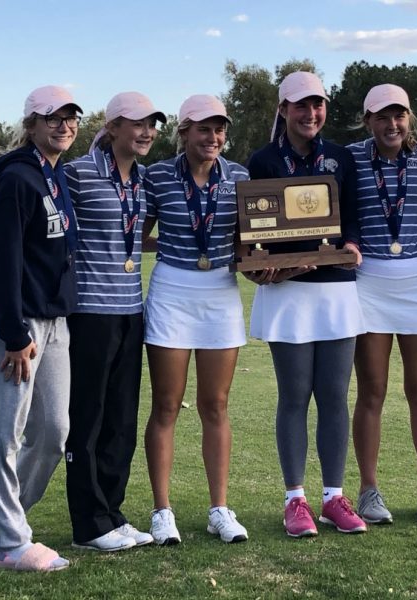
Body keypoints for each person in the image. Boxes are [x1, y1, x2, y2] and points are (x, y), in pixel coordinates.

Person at [245, 71, 367, 538]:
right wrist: (264, 261)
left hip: (336, 288)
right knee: (294, 397)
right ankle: (295, 499)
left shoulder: (340, 157)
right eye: (300, 106)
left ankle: (334, 497)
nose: (310, 113)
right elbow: (256, 228)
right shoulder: (263, 160)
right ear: (283, 110)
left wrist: (352, 243)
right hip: (287, 293)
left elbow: (352, 216)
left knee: (334, 396)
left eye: (317, 105)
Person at [0, 85, 81, 571]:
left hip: (54, 321)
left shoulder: (54, 177)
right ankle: (9, 543)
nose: (64, 125)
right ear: (32, 125)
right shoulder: (17, 179)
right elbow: (1, 264)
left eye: (70, 117)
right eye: (52, 118)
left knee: (55, 432)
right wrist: (15, 335)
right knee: (6, 434)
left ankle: (12, 518)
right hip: (16, 325)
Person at [142, 94, 250, 545]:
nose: (213, 137)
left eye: (219, 128)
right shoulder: (158, 175)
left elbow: (252, 239)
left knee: (216, 405)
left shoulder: (240, 176)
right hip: (172, 289)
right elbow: (138, 229)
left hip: (221, 292)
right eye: (203, 129)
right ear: (183, 132)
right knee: (166, 404)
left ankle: (219, 509)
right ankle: (162, 511)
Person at [62, 92, 165, 552]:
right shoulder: (78, 173)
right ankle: (89, 523)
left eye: (152, 125)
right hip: (89, 314)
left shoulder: (145, 181)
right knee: (88, 419)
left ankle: (113, 514)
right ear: (114, 127)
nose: (146, 133)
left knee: (122, 420)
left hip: (131, 311)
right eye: (137, 124)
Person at [346, 84, 417, 525]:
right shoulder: (349, 158)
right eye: (382, 117)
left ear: (410, 118)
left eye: (399, 116)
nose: (392, 125)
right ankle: (369, 491)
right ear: (367, 121)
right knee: (372, 392)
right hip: (369, 281)